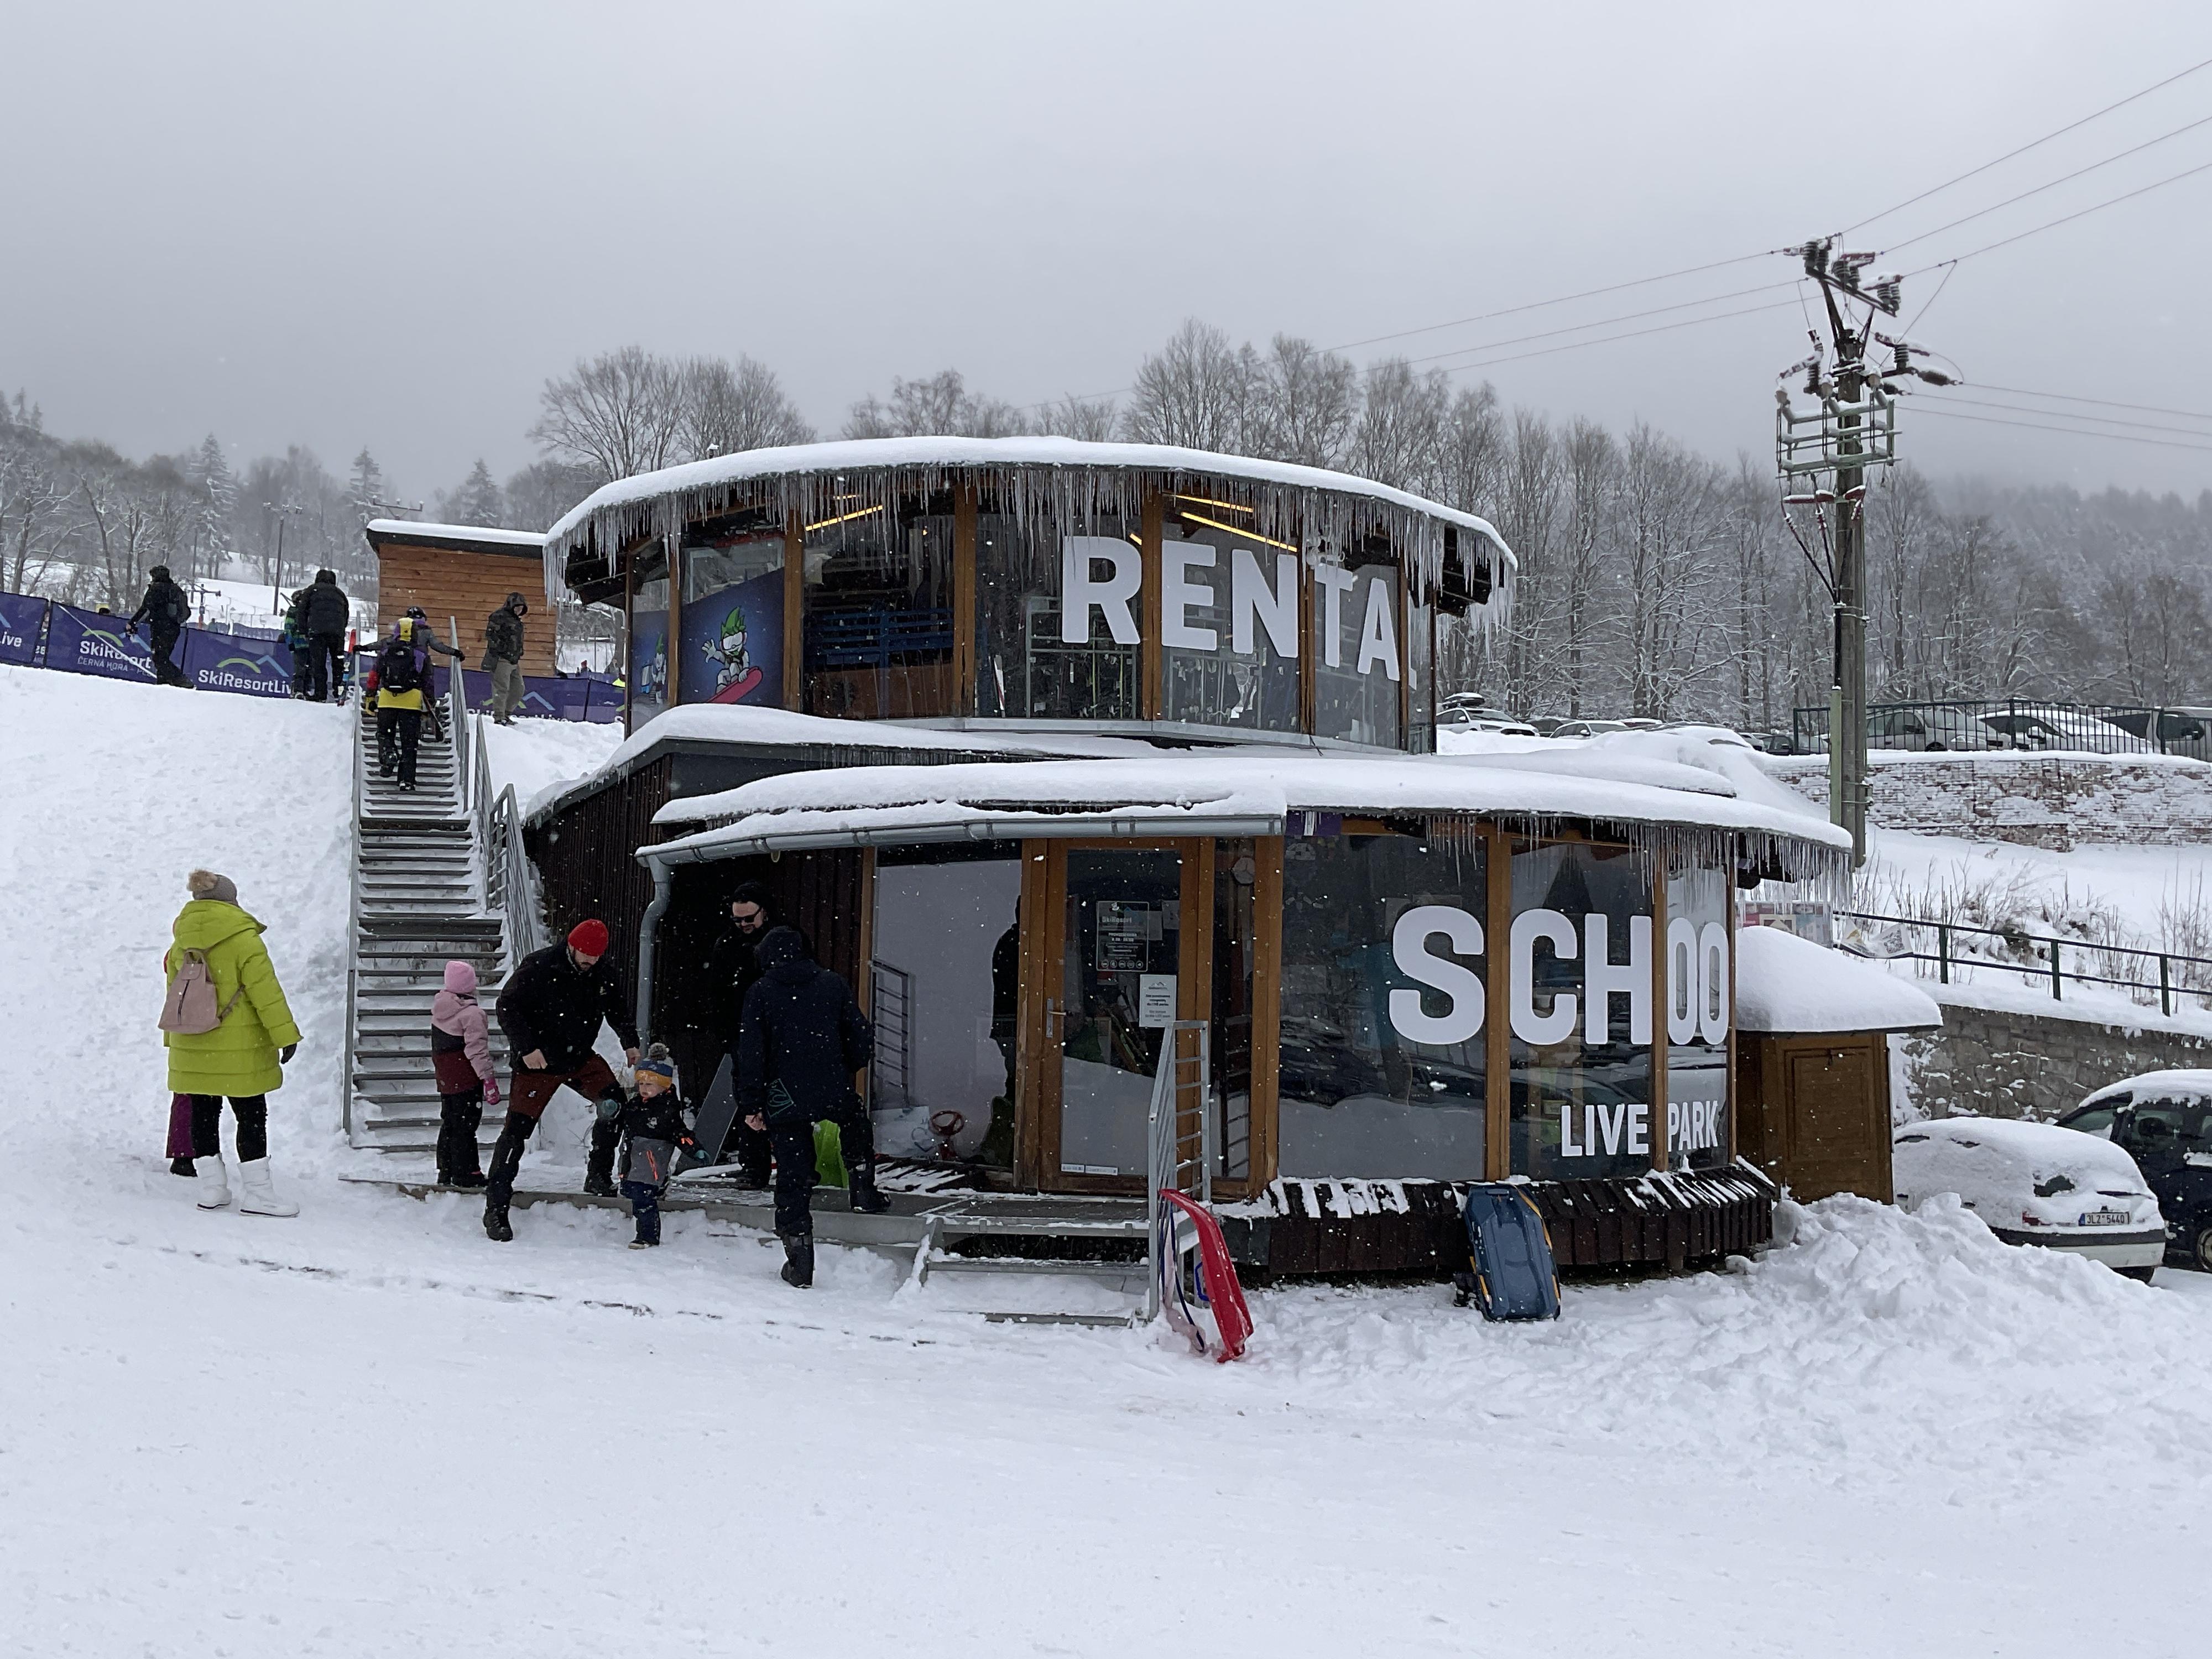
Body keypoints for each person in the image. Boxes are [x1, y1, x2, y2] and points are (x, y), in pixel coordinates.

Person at [737, 926, 884, 1289]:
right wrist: (845, 1068)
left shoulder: (761, 992)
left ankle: (800, 1260)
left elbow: (751, 1052)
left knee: (793, 1172)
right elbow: (860, 1036)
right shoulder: (832, 984)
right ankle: (863, 1190)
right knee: (854, 1122)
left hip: (783, 1092)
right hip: (830, 1083)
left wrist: (752, 1102)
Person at [484, 919, 642, 1242]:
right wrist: (527, 1048)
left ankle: (598, 1176)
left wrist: (629, 1041)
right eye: (586, 954)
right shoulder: (540, 966)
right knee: (517, 1132)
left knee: (614, 1107)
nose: (591, 961)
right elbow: (507, 1006)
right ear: (571, 945)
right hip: (538, 1063)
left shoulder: (602, 973)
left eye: (596, 956)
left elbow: (617, 1009)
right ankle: (496, 1208)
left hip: (580, 1058)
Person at [163, 869, 302, 1216]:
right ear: (230, 901)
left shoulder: (181, 941)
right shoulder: (243, 939)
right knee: (251, 1116)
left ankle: (212, 1189)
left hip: (193, 1044)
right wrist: (286, 1035)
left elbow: (175, 997)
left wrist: (174, 1042)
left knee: (203, 1115)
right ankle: (259, 1195)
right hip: (241, 1049)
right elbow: (266, 993)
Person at [665, 880, 778, 1185]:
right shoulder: (727, 944)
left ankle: (794, 1167)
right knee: (747, 1101)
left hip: (778, 1034)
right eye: (738, 919)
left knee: (783, 1100)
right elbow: (717, 994)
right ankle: (754, 1167)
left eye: (749, 918)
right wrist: (728, 1034)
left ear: (764, 912)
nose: (743, 925)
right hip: (743, 1035)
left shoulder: (781, 939)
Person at [430, 958, 499, 1188]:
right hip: (466, 1078)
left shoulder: (440, 1008)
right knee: (466, 1125)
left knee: (450, 1121)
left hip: (447, 1078)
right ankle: (467, 1172)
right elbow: (476, 1050)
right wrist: (487, 1078)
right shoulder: (472, 1014)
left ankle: (446, 1169)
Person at [619, 1046, 695, 1248]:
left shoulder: (667, 1108)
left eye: (650, 1084)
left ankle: (647, 1236)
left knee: (643, 1197)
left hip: (653, 1155)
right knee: (632, 1190)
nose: (644, 1088)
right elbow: (623, 1119)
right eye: (641, 1083)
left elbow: (679, 1132)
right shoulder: (635, 1104)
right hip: (633, 1154)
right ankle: (660, 1185)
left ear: (664, 1085)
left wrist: (693, 1148)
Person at [374, 617, 432, 789]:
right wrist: (430, 702)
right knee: (410, 744)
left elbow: (375, 674)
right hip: (411, 703)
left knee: (385, 734)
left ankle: (389, 754)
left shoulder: (386, 651)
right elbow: (428, 680)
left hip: (387, 701)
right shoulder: (420, 653)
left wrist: (370, 696)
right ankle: (406, 780)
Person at [287, 568, 351, 702]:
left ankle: (320, 694)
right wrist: (340, 629)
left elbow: (302, 611)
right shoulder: (340, 593)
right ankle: (339, 693)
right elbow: (346, 614)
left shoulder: (311, 591)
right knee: (338, 663)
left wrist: (304, 631)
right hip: (337, 634)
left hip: (317, 633)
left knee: (319, 664)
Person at [128, 565, 192, 687]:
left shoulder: (155, 589)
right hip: (174, 629)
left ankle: (181, 680)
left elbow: (145, 609)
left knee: (159, 659)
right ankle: (163, 686)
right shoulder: (176, 589)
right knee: (164, 658)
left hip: (160, 629)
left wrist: (132, 623)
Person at [483, 592, 529, 725]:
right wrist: (501, 649)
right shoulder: (499, 616)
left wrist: (518, 652)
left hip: (514, 660)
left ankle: (507, 714)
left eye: (521, 608)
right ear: (511, 605)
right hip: (501, 659)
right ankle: (499, 716)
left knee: (518, 689)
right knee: (502, 688)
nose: (519, 610)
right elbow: (491, 635)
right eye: (517, 607)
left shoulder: (516, 620)